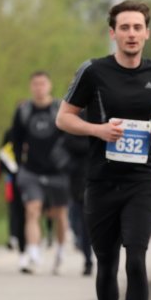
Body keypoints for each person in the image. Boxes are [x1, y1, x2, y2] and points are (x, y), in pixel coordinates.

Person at [56, 0, 151, 300]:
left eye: (137, 27)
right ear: (113, 33)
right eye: (123, 27)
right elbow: (64, 117)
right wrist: (98, 130)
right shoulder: (93, 71)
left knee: (137, 259)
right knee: (106, 263)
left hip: (141, 179)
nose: (130, 34)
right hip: (102, 180)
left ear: (146, 33)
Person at [11, 71, 70, 274]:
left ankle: (61, 250)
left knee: (59, 214)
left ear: (50, 85)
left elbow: (71, 138)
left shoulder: (60, 109)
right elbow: (16, 140)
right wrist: (20, 164)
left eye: (43, 83)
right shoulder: (24, 111)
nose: (39, 88)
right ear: (31, 87)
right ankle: (33, 252)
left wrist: (66, 161)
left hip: (57, 171)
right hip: (31, 170)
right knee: (32, 210)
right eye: (35, 84)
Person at [62, 111, 93, 276]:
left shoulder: (110, 113)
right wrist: (97, 135)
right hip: (79, 178)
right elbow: (69, 142)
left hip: (105, 176)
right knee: (82, 221)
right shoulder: (76, 116)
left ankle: (100, 257)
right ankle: (88, 259)